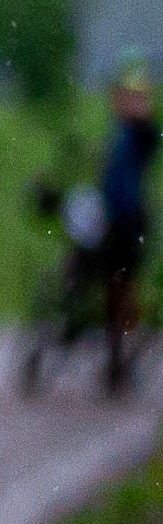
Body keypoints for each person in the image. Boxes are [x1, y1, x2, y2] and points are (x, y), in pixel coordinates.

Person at [103, 58, 156, 368]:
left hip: (128, 220)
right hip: (111, 219)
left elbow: (148, 137)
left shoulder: (138, 133)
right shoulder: (117, 132)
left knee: (122, 282)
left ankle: (121, 345)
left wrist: (143, 117)